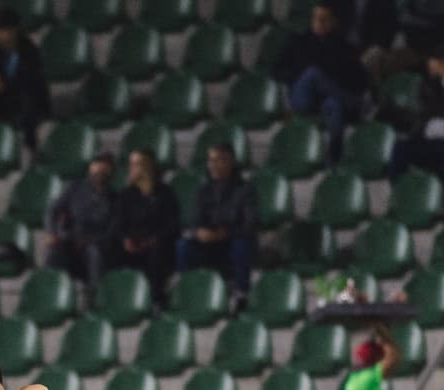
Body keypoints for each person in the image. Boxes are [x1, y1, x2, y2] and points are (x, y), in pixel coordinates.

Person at [274, 1, 368, 164]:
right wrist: (295, 77)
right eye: (315, 19)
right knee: (313, 74)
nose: (318, 23)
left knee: (334, 104)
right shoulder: (299, 41)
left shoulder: (344, 47)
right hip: (302, 97)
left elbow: (360, 80)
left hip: (326, 98)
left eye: (324, 19)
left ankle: (334, 151)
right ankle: (352, 103)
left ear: (333, 22)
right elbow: (276, 71)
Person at [176, 144, 258, 304]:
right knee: (183, 246)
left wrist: (225, 233)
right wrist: (199, 232)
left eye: (219, 160)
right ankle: (184, 291)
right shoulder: (203, 190)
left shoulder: (245, 189)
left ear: (231, 162)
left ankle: (241, 294)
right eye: (211, 160)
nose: (213, 165)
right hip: (209, 244)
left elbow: (249, 225)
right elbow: (194, 221)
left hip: (232, 241)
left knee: (242, 245)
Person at [111, 149, 181, 309]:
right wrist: (125, 239)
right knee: (110, 247)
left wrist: (152, 240)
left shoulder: (165, 193)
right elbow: (118, 224)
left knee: (158, 251)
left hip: (157, 243)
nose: (133, 168)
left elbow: (172, 225)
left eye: (137, 164)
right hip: (133, 243)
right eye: (132, 164)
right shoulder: (126, 194)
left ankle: (157, 299)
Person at [0, 9, 50, 151]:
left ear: (14, 30)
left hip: (23, 96)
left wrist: (6, 85)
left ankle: (29, 147)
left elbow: (32, 83)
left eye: (3, 30)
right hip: (1, 97)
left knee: (29, 100)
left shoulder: (29, 50)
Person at [45, 153, 116, 300]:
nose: (99, 175)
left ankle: (93, 296)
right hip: (71, 238)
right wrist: (52, 232)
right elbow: (53, 210)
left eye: (103, 172)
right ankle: (51, 293)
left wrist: (91, 240)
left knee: (94, 253)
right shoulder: (74, 188)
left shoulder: (114, 198)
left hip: (96, 241)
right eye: (96, 171)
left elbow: (112, 229)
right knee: (54, 252)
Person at [388, 46, 444, 179]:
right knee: (400, 148)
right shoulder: (430, 85)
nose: (429, 63)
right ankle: (398, 193)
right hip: (429, 139)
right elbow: (424, 115)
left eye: (432, 60)